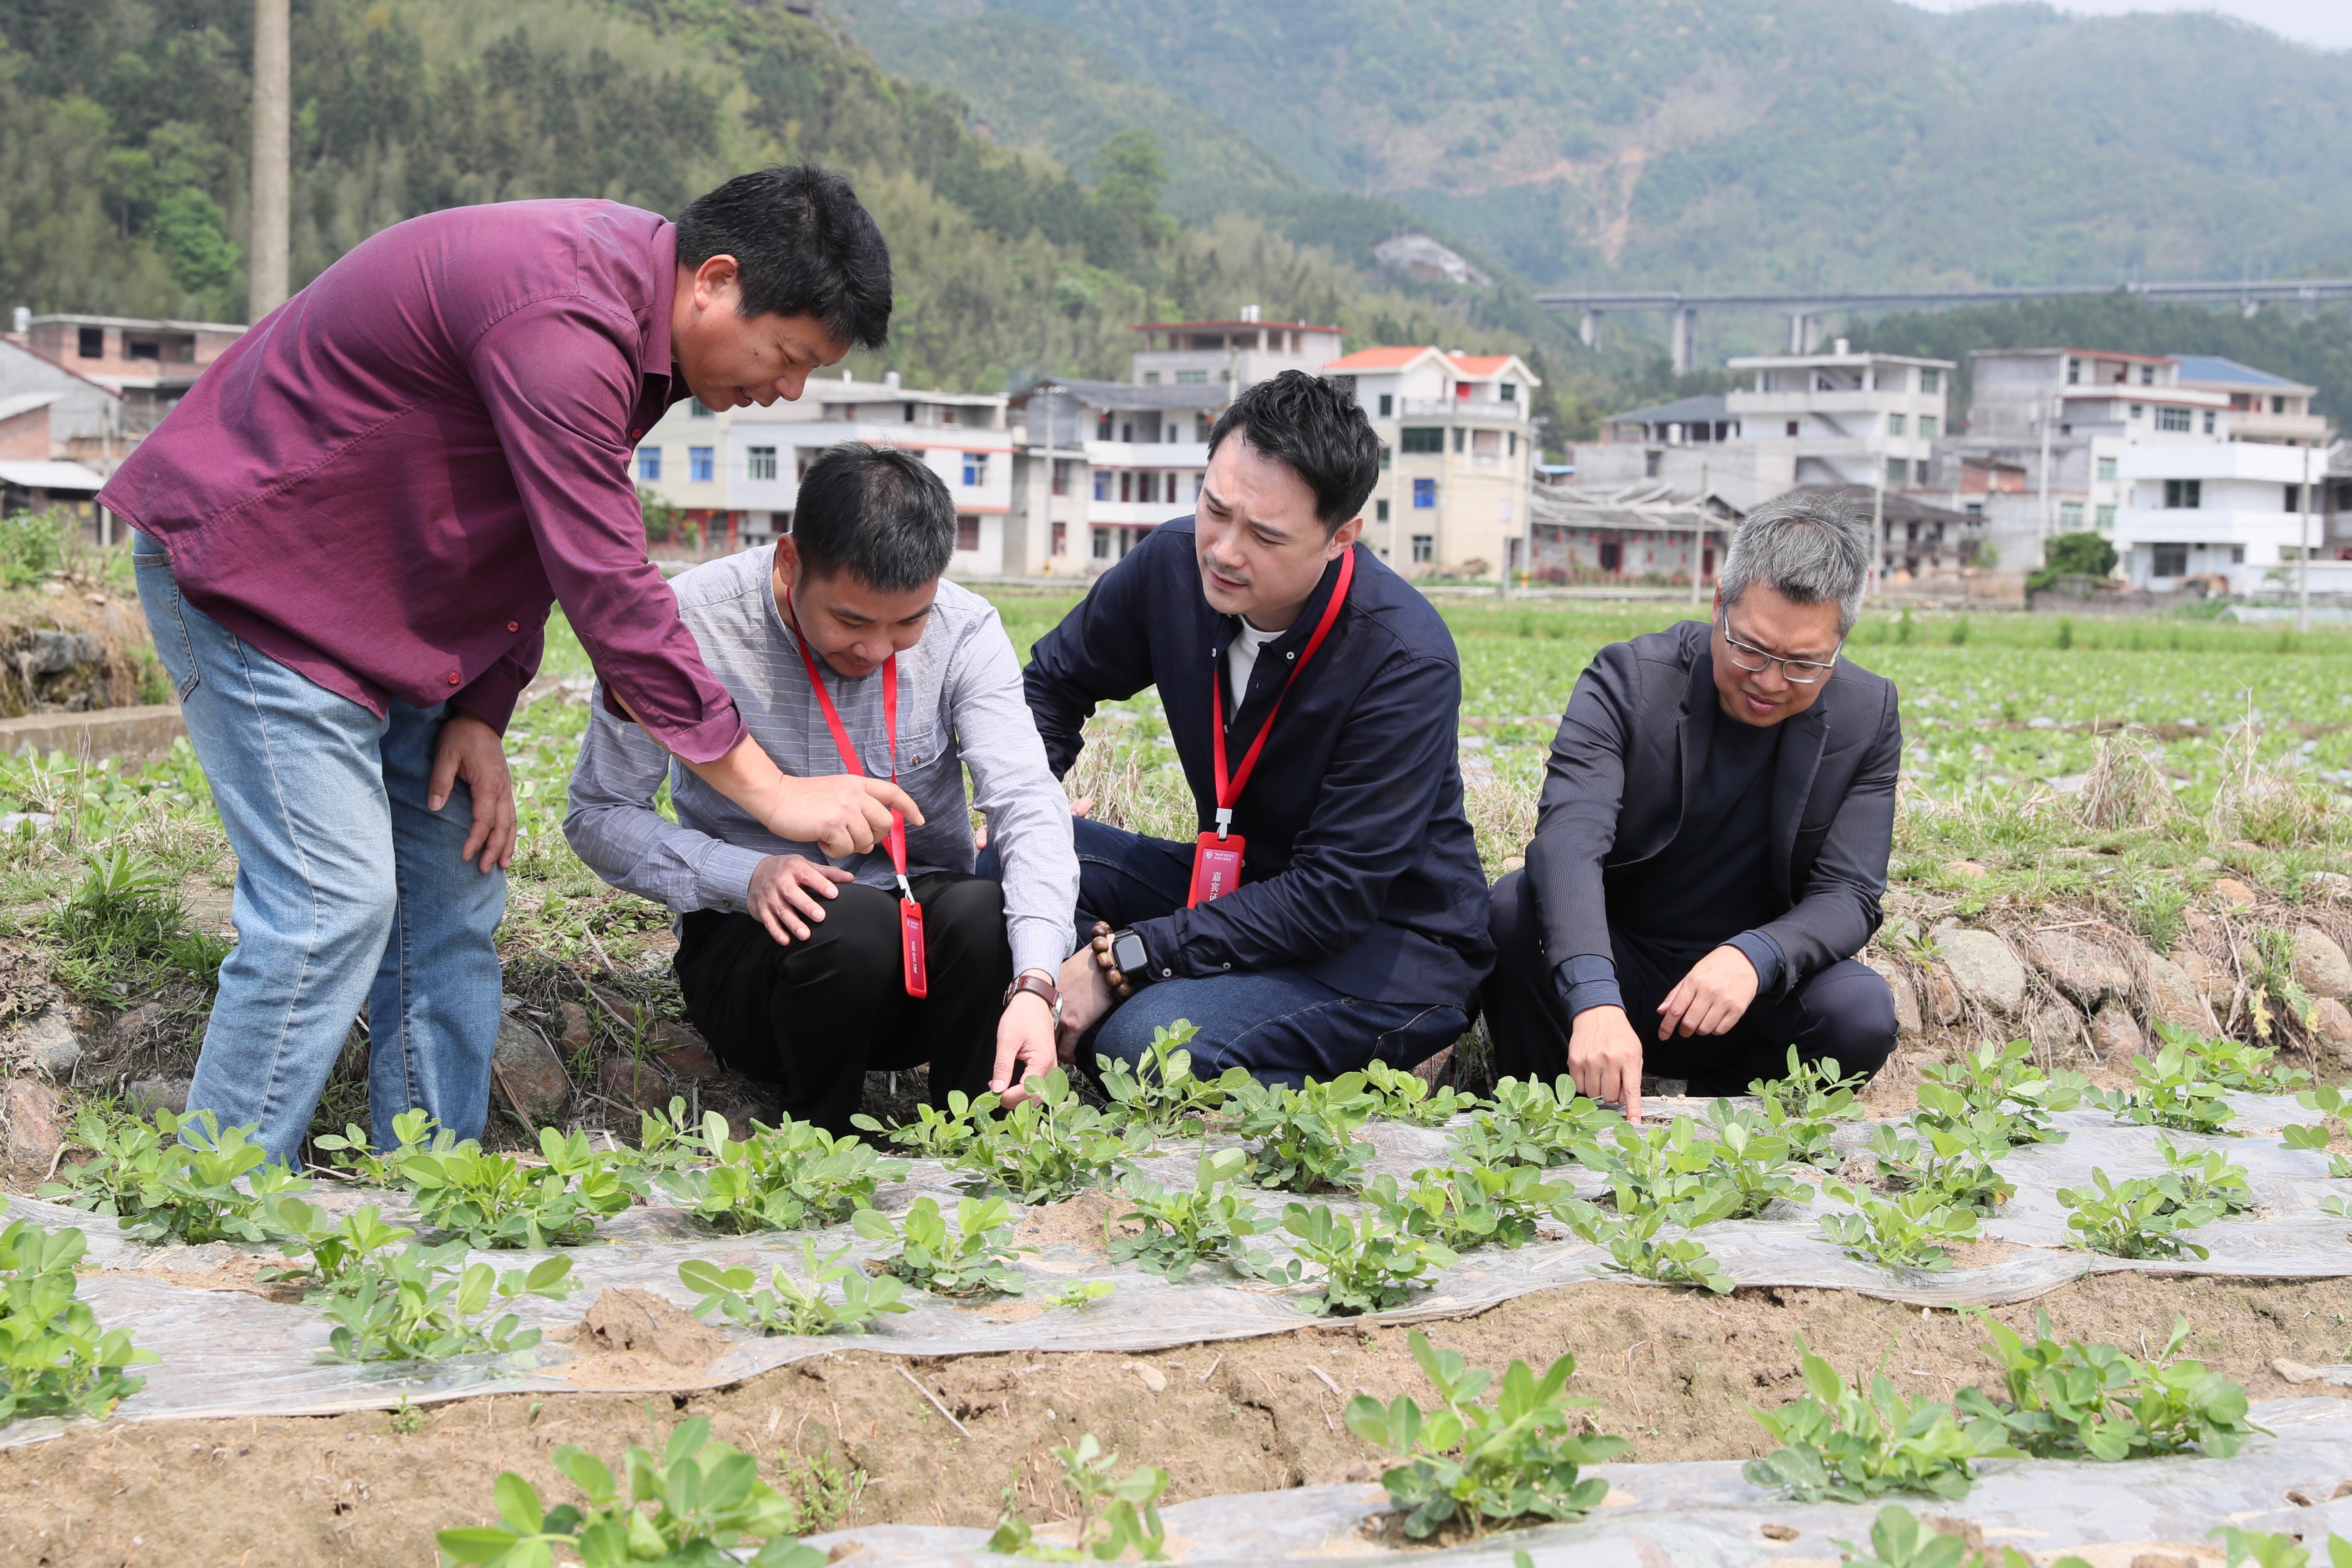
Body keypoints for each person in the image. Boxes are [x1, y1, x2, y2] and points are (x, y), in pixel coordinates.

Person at [99, 165, 918, 1166]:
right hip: (259, 583)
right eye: (788, 356)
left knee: (451, 895)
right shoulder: (567, 313)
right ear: (715, 280)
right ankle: (217, 1188)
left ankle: (431, 1175)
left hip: (385, 612)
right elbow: (607, 582)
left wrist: (482, 709)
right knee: (330, 903)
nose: (787, 390)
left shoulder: (633, 325)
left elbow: (536, 523)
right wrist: (773, 791)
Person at [565, 444, 1078, 1134]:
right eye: (852, 622)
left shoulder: (964, 629)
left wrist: (1036, 984)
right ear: (790, 562)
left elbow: (1027, 801)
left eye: (908, 623)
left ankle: (980, 1133)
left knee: (982, 911)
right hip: (763, 967)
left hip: (918, 964)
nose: (877, 650)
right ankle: (817, 1144)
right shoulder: (687, 624)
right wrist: (744, 875)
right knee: (848, 921)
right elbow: (599, 813)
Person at [1016, 369, 1493, 1084]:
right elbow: (1054, 684)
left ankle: (1357, 1076)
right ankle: (1102, 1010)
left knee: (1148, 1044)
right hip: (1236, 892)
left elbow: (1332, 899)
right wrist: (1028, 801)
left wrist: (1126, 960)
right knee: (1015, 859)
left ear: (1340, 537)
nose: (1224, 551)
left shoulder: (1402, 659)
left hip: (1379, 948)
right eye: (1216, 509)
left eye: (1265, 536)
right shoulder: (1172, 567)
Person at [1482, 493, 1902, 1123]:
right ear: (1719, 603)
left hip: (1750, 995)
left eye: (1803, 665)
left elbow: (1850, 893)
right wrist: (1594, 996)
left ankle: (1733, 1129)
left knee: (1859, 1012)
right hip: (1620, 967)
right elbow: (1569, 842)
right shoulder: (1631, 680)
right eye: (1751, 649)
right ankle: (1551, 1121)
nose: (1769, 681)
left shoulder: (1866, 714)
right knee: (1513, 911)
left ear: (1840, 642)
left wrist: (1756, 955)